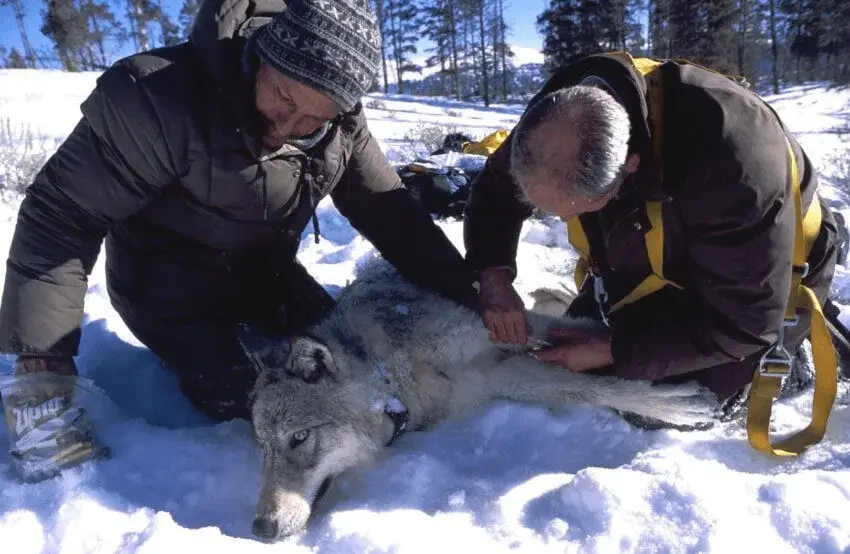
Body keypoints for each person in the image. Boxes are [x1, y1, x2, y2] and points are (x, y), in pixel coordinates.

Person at [0, 0, 478, 482]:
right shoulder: (157, 99)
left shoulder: (341, 124)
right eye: (283, 99)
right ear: (263, 56)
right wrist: (42, 362)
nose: (286, 129)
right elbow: (62, 215)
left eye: (313, 121)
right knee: (266, 398)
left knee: (348, 368)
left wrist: (476, 295)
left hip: (264, 275)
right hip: (167, 286)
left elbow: (392, 215)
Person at [463, 52, 840, 421]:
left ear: (630, 165)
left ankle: (788, 361)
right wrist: (492, 272)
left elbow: (746, 323)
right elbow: (497, 189)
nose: (563, 218)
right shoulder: (553, 120)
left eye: (575, 207)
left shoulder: (732, 163)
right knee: (560, 360)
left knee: (666, 403)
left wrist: (613, 349)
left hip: (757, 274)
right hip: (655, 238)